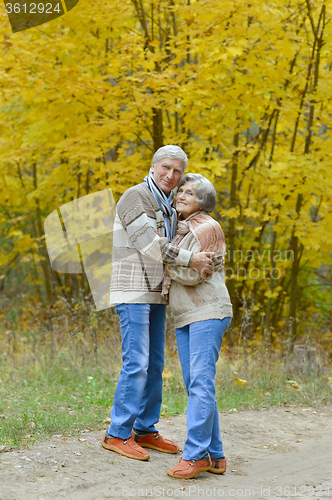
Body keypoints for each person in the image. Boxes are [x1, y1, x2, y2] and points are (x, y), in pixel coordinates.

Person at [101, 146, 215, 461]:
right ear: (153, 167)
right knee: (136, 363)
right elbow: (151, 246)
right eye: (166, 167)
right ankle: (117, 433)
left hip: (157, 293)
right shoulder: (135, 196)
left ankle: (145, 429)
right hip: (133, 291)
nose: (171, 175)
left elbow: (176, 235)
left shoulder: (166, 204)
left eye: (177, 171)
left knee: (155, 364)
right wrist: (192, 259)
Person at [163, 173, 233, 479]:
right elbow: (187, 265)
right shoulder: (182, 230)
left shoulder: (206, 227)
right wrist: (177, 258)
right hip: (187, 314)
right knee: (197, 386)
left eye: (190, 193)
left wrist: (166, 262)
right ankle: (215, 456)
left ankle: (194, 456)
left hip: (208, 311)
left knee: (201, 385)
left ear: (202, 202)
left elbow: (194, 274)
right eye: (181, 191)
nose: (181, 195)